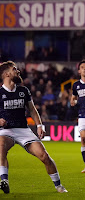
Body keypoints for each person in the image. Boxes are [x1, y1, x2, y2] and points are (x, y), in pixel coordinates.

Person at [0, 61, 67, 194]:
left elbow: (32, 109)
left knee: (44, 156)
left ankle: (59, 185)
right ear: (7, 74)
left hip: (24, 130)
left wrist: (39, 125)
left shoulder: (23, 90)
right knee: (1, 147)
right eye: (14, 69)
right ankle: (4, 181)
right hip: (6, 130)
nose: (18, 71)